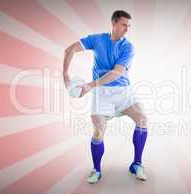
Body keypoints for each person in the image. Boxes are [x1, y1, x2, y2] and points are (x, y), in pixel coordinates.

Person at [63, 10, 148, 183]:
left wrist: (90, 85)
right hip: (102, 94)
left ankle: (137, 164)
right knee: (98, 132)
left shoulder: (128, 47)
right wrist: (65, 75)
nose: (127, 29)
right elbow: (70, 49)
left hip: (123, 92)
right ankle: (96, 170)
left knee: (143, 119)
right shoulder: (97, 39)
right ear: (114, 23)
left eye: (129, 26)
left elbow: (116, 73)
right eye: (124, 25)